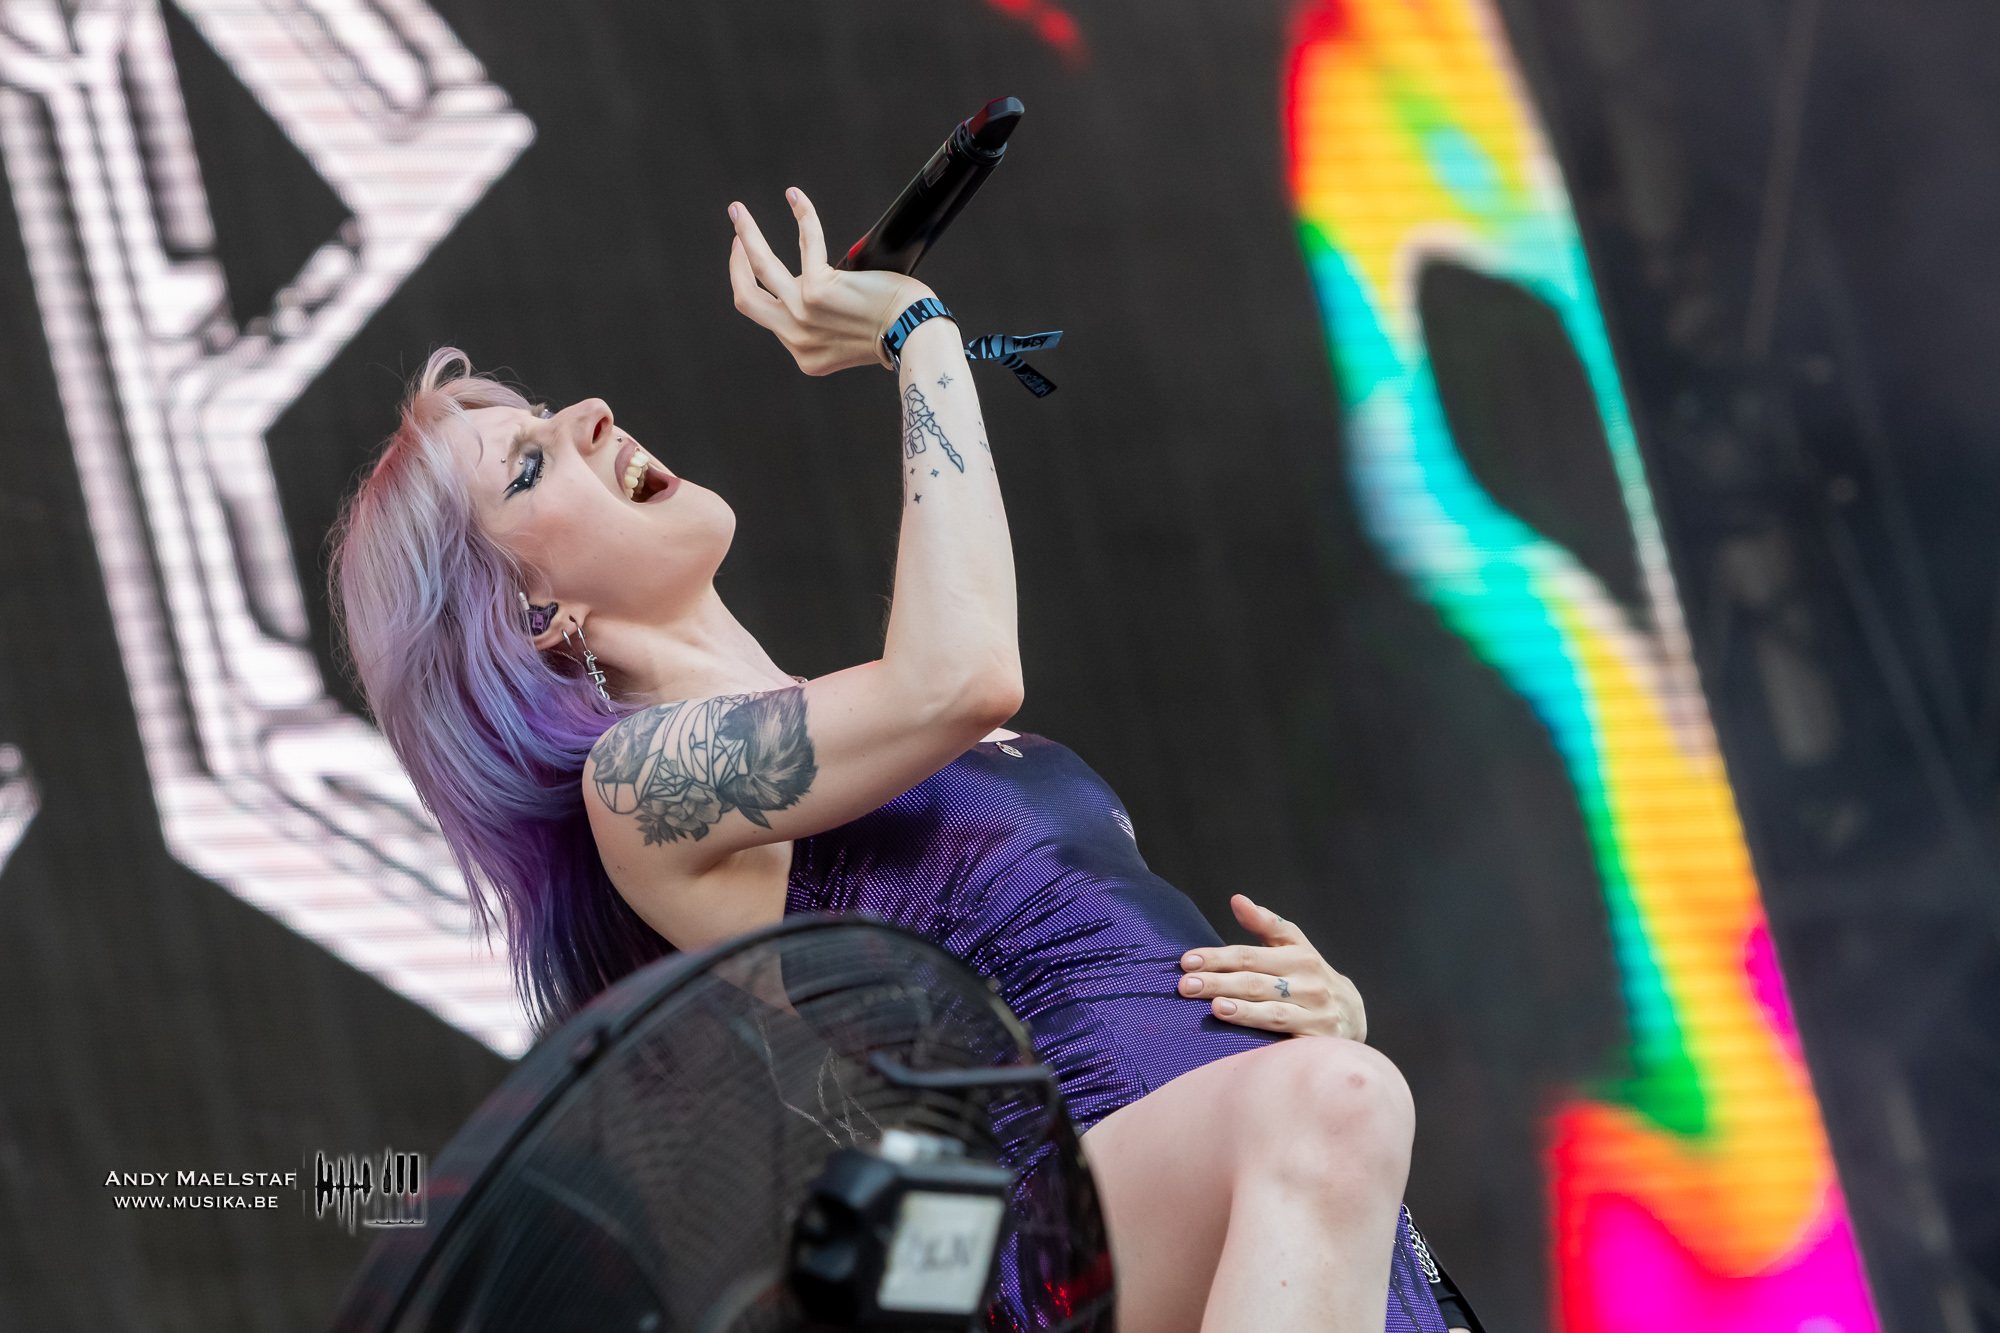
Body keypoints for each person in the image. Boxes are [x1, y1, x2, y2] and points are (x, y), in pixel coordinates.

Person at [331, 188, 1439, 1333]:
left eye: (549, 414)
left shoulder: (851, 727)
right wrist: (917, 335)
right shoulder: (638, 789)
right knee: (1339, 1101)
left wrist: (1303, 1018)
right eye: (528, 464)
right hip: (1068, 1250)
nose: (591, 415)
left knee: (1339, 1094)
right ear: (534, 617)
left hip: (1240, 1184)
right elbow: (963, 673)